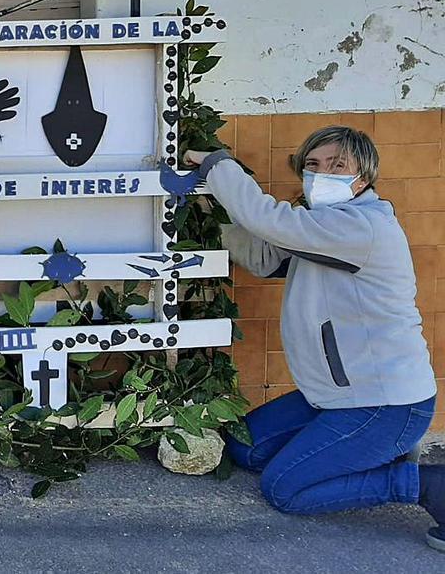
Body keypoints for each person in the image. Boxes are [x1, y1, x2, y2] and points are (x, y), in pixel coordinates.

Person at [186, 126, 443, 551]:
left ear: (363, 179)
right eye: (313, 165)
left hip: (384, 403)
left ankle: (425, 485)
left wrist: (215, 165)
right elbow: (265, 258)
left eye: (337, 165)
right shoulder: (323, 225)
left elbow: (267, 219)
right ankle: (376, 455)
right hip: (334, 396)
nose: (322, 172)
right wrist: (203, 203)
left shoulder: (363, 228)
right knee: (246, 449)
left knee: (285, 488)